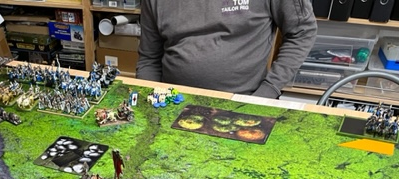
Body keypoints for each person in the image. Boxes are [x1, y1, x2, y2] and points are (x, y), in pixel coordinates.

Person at [136, 0, 317, 99]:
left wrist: (268, 90)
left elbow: (302, 32)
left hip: (245, 100)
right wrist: (151, 97)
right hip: (174, 100)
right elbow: (149, 58)